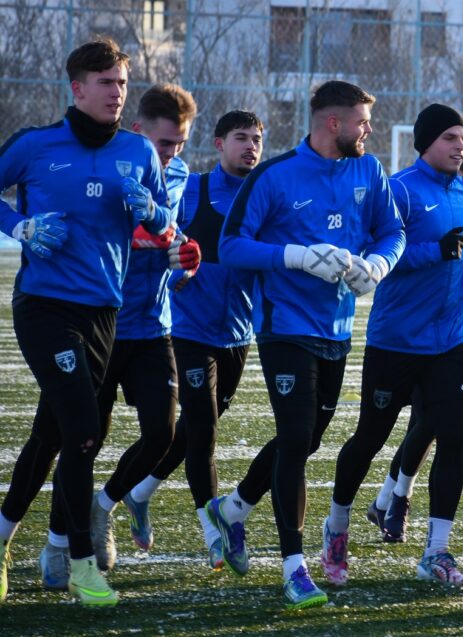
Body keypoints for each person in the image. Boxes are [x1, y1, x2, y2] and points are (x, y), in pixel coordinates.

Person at [210, 80, 404, 610]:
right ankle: (293, 567)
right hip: (284, 327)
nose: (369, 130)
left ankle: (232, 509)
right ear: (333, 123)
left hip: (337, 329)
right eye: (362, 121)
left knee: (308, 438)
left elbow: (393, 232)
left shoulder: (369, 170)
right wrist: (295, 256)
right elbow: (230, 246)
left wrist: (377, 266)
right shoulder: (274, 175)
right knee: (296, 438)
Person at [0, 38, 171, 605]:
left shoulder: (139, 151)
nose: (117, 93)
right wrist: (20, 227)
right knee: (83, 431)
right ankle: (80, 563)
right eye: (106, 83)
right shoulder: (35, 144)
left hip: (104, 312)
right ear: (77, 88)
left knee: (53, 435)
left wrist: (154, 214)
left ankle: (1, 536)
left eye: (122, 82)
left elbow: (164, 224)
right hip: (44, 306)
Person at [322, 103, 463, 589]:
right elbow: (378, 255)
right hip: (396, 341)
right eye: (450, 137)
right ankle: (337, 527)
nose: (460, 146)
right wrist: (436, 252)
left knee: (453, 438)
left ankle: (437, 552)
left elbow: (460, 255)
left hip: (449, 341)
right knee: (370, 438)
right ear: (426, 141)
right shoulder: (400, 189)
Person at [122, 110, 264, 570]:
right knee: (202, 430)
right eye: (241, 137)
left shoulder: (264, 196)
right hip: (186, 329)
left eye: (257, 139)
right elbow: (155, 233)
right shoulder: (193, 190)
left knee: (192, 429)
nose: (250, 146)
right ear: (219, 143)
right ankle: (214, 531)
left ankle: (139, 491)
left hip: (238, 333)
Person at [82, 83, 199, 573]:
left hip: (153, 325)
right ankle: (60, 540)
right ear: (137, 131)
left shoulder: (182, 174)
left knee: (161, 435)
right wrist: (152, 235)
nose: (170, 153)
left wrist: (185, 260)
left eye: (179, 144)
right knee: (86, 438)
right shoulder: (111, 166)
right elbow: (109, 231)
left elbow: (174, 236)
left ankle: (103, 506)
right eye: (163, 143)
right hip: (103, 323)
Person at [368, 146, 463, 545]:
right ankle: (386, 500)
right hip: (403, 334)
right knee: (400, 427)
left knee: (432, 423)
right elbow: (389, 252)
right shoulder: (420, 204)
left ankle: (394, 501)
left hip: (447, 339)